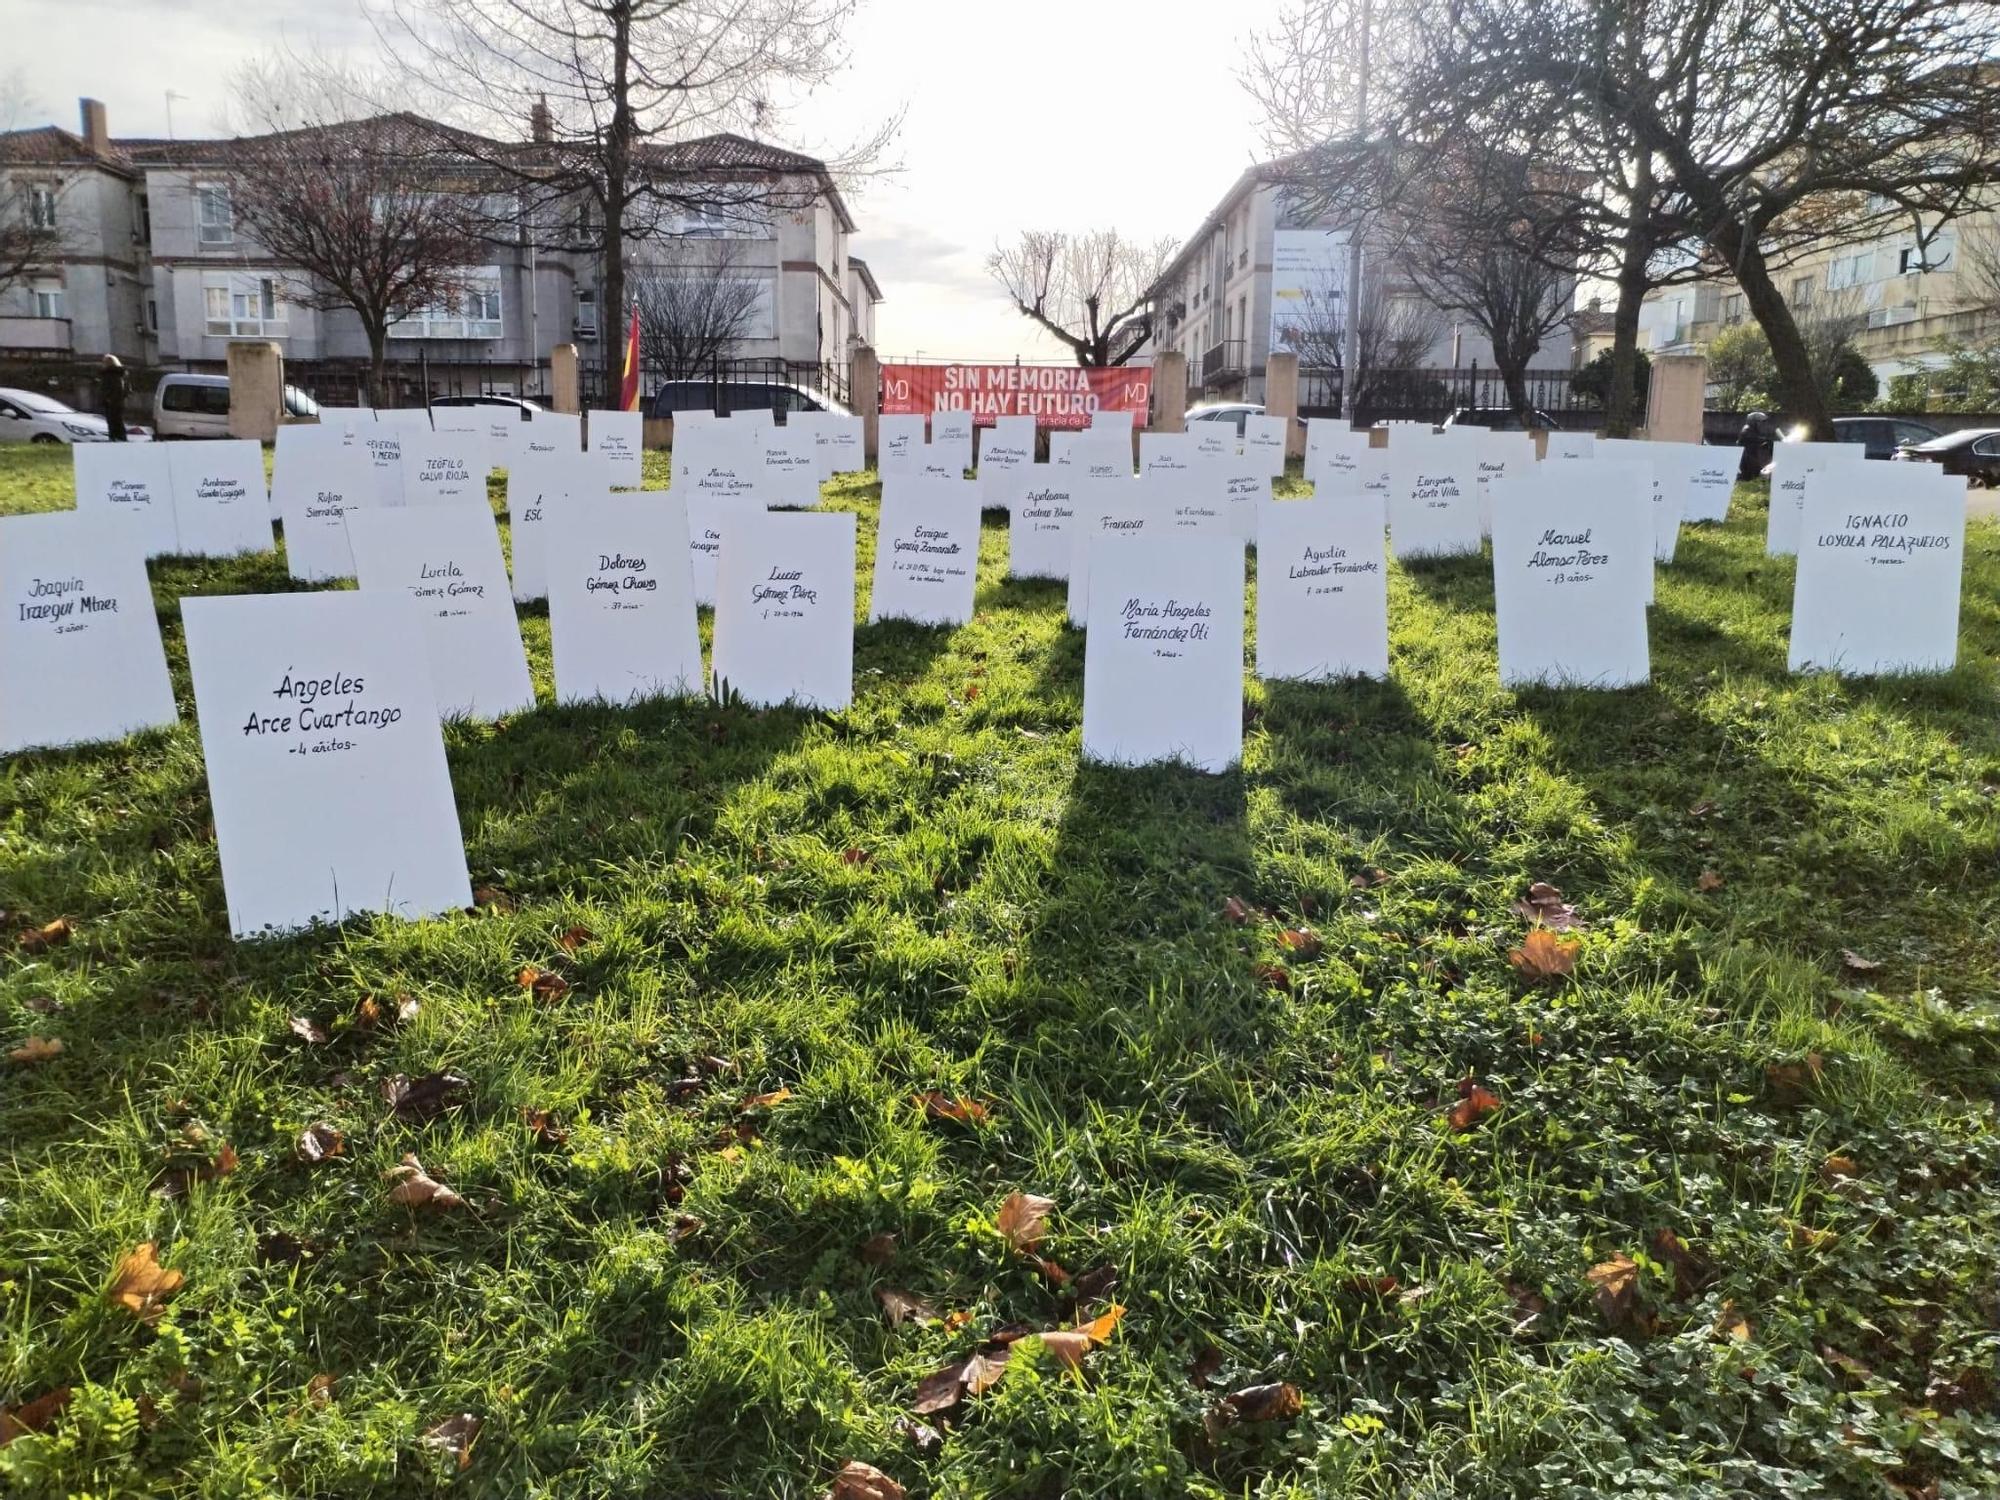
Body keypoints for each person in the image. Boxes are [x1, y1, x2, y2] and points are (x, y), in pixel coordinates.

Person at [97, 354, 128, 443]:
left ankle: (117, 439)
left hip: (113, 403)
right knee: (115, 422)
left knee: (114, 422)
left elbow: (115, 388)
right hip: (115, 402)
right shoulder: (115, 374)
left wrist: (109, 399)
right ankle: (117, 439)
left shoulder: (111, 374)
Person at [1737, 409, 1774, 481]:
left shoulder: (1754, 430)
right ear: (1754, 422)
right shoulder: (1747, 429)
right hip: (1747, 457)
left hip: (1752, 455)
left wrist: (1766, 442)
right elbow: (1754, 438)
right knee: (1755, 472)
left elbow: (1757, 440)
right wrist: (1766, 440)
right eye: (1760, 422)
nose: (1762, 424)